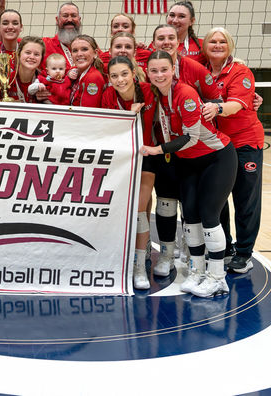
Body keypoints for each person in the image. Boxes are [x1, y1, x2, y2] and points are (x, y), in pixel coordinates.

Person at [140, 50, 236, 298]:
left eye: (164, 69)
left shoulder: (185, 93)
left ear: (173, 69)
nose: (159, 74)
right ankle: (197, 271)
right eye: (154, 70)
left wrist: (156, 149)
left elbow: (191, 138)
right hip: (188, 164)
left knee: (208, 214)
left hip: (216, 158)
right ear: (148, 73)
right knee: (190, 215)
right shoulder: (154, 95)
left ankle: (217, 278)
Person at [198, 28, 262, 274]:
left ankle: (244, 253)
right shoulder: (199, 68)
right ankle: (224, 249)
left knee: (245, 200)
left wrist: (218, 108)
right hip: (217, 144)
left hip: (245, 142)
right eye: (212, 41)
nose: (217, 44)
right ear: (204, 47)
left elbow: (236, 104)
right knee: (217, 199)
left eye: (222, 41)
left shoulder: (240, 71)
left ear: (230, 45)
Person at [99, 56, 155, 289]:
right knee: (120, 211)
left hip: (148, 156)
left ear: (134, 72)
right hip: (122, 160)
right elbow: (106, 130)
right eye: (114, 76)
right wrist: (128, 117)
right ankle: (121, 257)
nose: (120, 80)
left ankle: (139, 266)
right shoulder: (108, 96)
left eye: (124, 74)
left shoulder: (149, 91)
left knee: (140, 211)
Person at [64, 35, 105, 108]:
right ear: (71, 55)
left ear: (95, 53)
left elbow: (87, 113)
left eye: (84, 49)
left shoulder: (93, 77)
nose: (79, 54)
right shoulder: (75, 73)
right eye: (75, 50)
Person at [8, 36, 45, 103]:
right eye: (28, 53)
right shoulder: (7, 79)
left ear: (41, 58)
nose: (32, 57)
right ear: (19, 54)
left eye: (36, 54)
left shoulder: (45, 82)